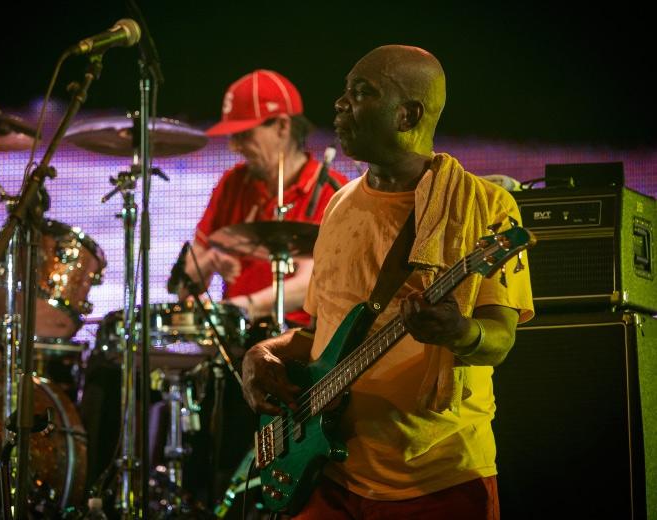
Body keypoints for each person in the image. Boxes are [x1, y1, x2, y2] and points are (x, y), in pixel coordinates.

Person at [241, 45, 535, 519]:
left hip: (439, 478)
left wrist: (459, 333)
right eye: (344, 92)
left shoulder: (486, 208)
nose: (339, 104)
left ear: (408, 114)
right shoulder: (338, 205)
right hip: (329, 476)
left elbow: (499, 341)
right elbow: (322, 337)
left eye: (360, 94)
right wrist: (261, 353)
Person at [172, 69, 349, 330]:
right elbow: (185, 286)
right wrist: (210, 259)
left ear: (281, 126)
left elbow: (313, 282)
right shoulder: (232, 183)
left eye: (243, 134)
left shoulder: (334, 191)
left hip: (303, 345)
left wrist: (243, 307)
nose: (233, 146)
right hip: (236, 340)